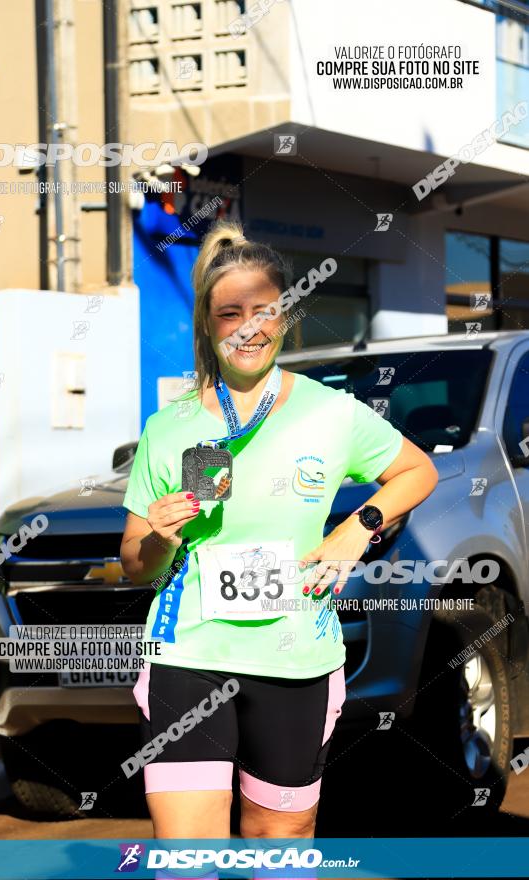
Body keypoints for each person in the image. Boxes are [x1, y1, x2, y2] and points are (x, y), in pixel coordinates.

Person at [120, 221, 438, 848]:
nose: (247, 327)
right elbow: (135, 565)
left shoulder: (331, 411)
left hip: (296, 657)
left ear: (285, 315)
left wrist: (358, 528)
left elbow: (417, 469)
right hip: (189, 653)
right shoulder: (169, 427)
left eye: (262, 310)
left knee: (279, 848)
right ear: (208, 326)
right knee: (189, 856)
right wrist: (159, 537)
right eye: (228, 312)